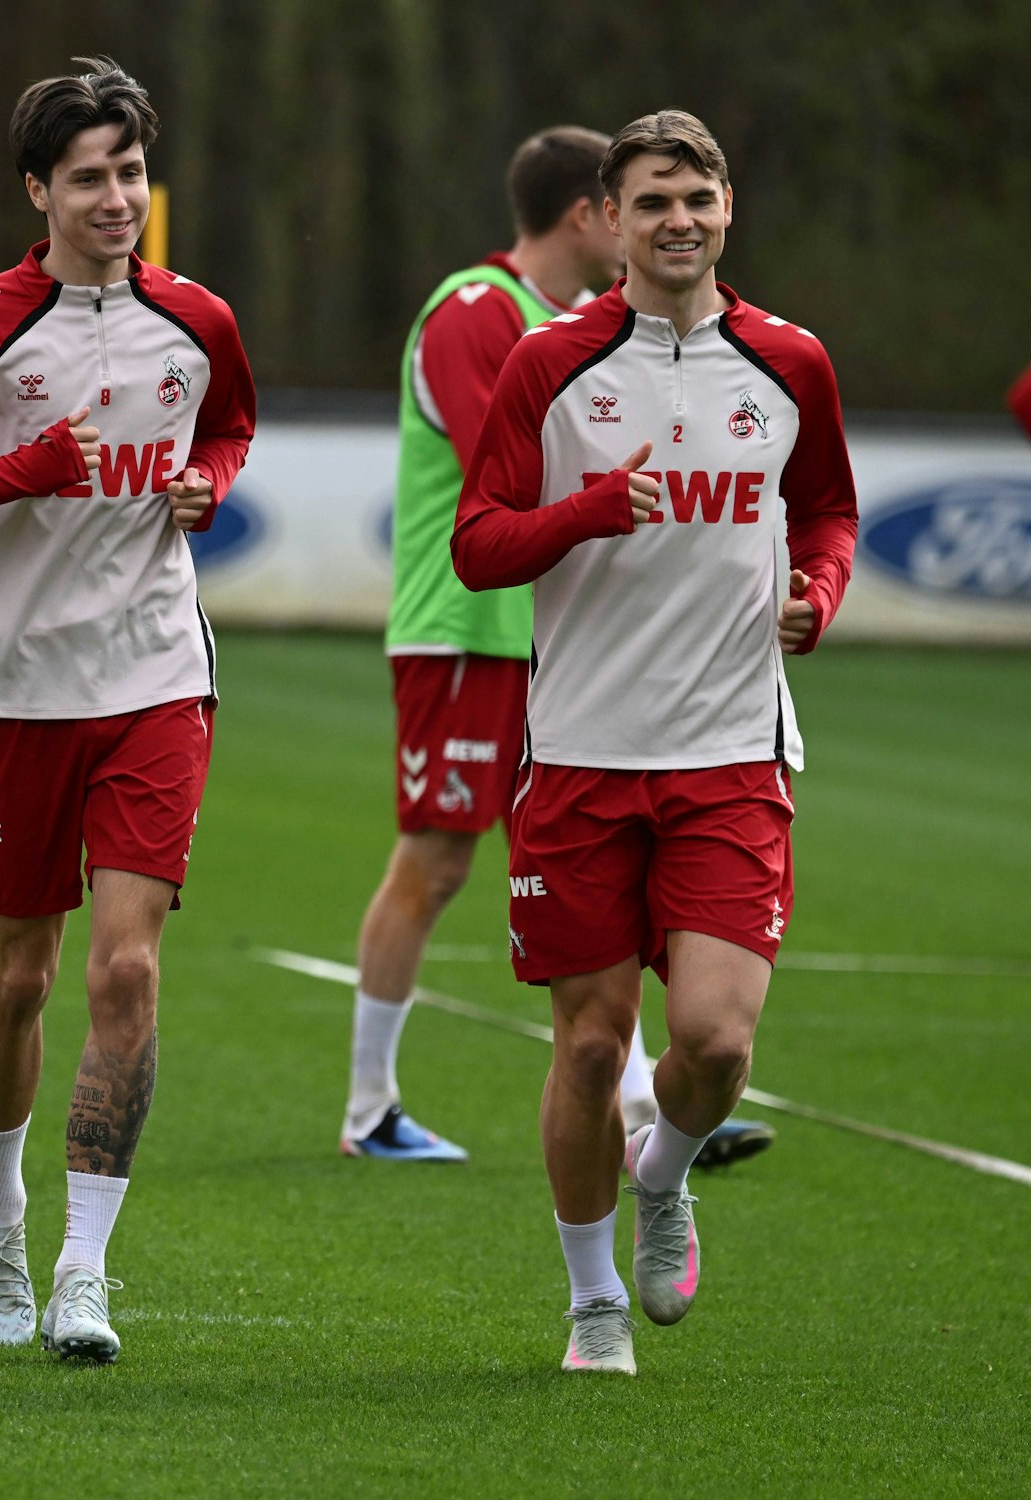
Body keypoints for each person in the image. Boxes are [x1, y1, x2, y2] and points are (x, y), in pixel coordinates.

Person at [0, 56, 254, 1364]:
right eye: (88, 178)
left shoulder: (197, 320)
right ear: (37, 190)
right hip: (16, 691)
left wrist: (208, 483)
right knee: (18, 975)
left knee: (125, 966)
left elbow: (228, 427)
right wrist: (20, 470)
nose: (116, 198)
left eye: (130, 172)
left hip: (157, 677)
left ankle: (84, 1268)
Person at [451, 110, 857, 1374]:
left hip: (730, 751)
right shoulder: (548, 363)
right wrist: (582, 510)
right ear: (610, 222)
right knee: (586, 1046)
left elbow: (826, 511)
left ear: (726, 208)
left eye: (696, 198)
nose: (677, 220)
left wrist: (819, 592)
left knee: (717, 1041)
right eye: (651, 202)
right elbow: (478, 543)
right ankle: (591, 1307)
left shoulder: (789, 362)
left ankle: (663, 1171)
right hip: (578, 752)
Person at [343, 126, 621, 1163]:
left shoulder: (585, 322)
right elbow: (504, 467)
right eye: (621, 208)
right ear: (584, 214)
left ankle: (642, 1102)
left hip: (554, 637)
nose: (636, 230)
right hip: (461, 630)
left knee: (582, 860)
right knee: (437, 861)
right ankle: (368, 1109)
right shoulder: (474, 310)